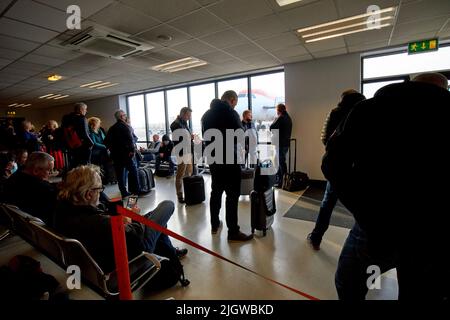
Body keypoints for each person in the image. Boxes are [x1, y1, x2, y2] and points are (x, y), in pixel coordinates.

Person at [322, 73, 450, 300]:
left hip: (377, 225)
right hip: (432, 233)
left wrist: (365, 211)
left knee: (349, 282)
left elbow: (331, 163)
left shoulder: (369, 109)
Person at [52, 165, 187, 274]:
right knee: (167, 205)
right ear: (88, 194)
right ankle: (173, 265)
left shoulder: (62, 211)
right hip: (134, 253)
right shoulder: (100, 223)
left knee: (155, 220)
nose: (100, 194)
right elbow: (136, 238)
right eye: (99, 190)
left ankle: (172, 258)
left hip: (98, 257)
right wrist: (134, 218)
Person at [307, 90, 366, 250]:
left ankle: (316, 238)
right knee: (360, 208)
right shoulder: (365, 112)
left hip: (337, 167)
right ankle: (362, 241)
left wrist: (334, 152)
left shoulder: (335, 112)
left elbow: (324, 137)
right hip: (358, 169)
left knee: (327, 204)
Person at [201, 91, 253, 242]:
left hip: (214, 158)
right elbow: (240, 136)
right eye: (235, 103)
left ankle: (214, 224)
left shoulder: (206, 115)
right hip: (230, 159)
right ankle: (233, 232)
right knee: (232, 195)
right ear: (231, 100)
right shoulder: (231, 113)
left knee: (216, 192)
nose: (235, 105)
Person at [3, 152, 57, 224]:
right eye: (49, 170)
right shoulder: (45, 189)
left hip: (16, 224)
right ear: (36, 171)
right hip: (38, 228)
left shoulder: (14, 177)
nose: (51, 173)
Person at [104, 110, 142, 199]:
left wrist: (113, 149)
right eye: (124, 115)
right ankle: (137, 191)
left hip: (116, 156)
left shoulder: (112, 128)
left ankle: (124, 193)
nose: (126, 116)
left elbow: (105, 141)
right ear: (121, 117)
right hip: (126, 155)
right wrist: (132, 151)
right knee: (133, 171)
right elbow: (131, 140)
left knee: (120, 176)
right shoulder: (125, 127)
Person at [170, 107, 193, 203]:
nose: (189, 117)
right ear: (183, 114)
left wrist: (190, 137)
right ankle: (180, 195)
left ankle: (188, 192)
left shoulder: (184, 123)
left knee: (189, 173)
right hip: (182, 152)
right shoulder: (175, 124)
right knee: (180, 174)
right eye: (188, 115)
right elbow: (179, 138)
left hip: (188, 151)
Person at [61, 102, 93, 168]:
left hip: (71, 145)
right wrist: (91, 143)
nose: (86, 111)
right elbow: (84, 134)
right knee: (85, 165)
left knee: (74, 163)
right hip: (83, 145)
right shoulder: (82, 118)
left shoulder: (67, 119)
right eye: (85, 109)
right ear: (81, 109)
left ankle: (71, 177)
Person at [270, 103, 292, 188]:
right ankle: (282, 181)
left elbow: (272, 128)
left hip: (280, 144)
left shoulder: (281, 118)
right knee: (281, 162)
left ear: (278, 110)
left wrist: (275, 119)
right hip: (286, 144)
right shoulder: (288, 118)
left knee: (280, 163)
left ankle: (281, 182)